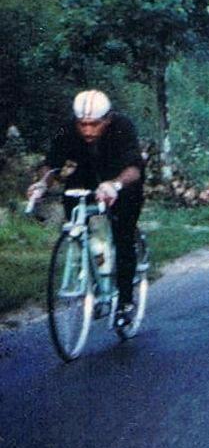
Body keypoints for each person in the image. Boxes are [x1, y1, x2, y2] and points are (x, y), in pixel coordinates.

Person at [27, 90, 145, 328]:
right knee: (75, 216)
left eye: (94, 125)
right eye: (83, 125)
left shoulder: (123, 126)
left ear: (107, 120)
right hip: (87, 177)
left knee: (123, 235)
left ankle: (124, 301)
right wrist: (41, 184)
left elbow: (134, 167)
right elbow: (51, 164)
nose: (88, 131)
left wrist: (115, 185)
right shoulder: (68, 128)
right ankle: (88, 261)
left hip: (122, 180)